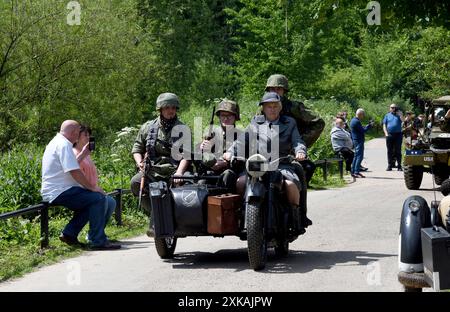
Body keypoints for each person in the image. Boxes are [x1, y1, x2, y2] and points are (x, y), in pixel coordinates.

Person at [224, 91, 312, 230]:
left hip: (282, 164)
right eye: (268, 106)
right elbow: (242, 141)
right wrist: (230, 152)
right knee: (240, 183)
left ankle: (295, 215)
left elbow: (297, 141)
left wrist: (300, 151)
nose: (272, 109)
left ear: (280, 107)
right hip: (258, 165)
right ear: (263, 108)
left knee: (290, 184)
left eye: (275, 106)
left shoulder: (289, 123)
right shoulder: (256, 122)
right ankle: (242, 213)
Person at [41, 120, 120, 250]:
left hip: (57, 190)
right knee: (98, 198)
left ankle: (69, 234)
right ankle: (97, 240)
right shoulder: (64, 144)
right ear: (73, 132)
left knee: (90, 202)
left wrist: (83, 155)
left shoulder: (56, 142)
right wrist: (92, 187)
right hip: (60, 191)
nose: (79, 136)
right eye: (78, 132)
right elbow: (74, 171)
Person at [130, 92, 190, 236]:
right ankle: (156, 214)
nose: (171, 111)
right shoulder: (148, 127)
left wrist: (180, 173)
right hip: (152, 169)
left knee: (189, 187)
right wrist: (140, 163)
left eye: (173, 108)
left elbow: (186, 155)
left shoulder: (183, 129)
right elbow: (137, 149)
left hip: (174, 169)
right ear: (160, 109)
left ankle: (178, 219)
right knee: (135, 182)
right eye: (167, 107)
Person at [265, 74, 325, 185]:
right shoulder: (263, 108)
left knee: (307, 168)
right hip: (269, 153)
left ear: (284, 90)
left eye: (278, 89)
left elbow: (318, 123)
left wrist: (300, 144)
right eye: (272, 89)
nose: (275, 91)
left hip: (290, 154)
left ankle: (297, 200)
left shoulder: (294, 107)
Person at [73, 125, 116, 233]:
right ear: (77, 137)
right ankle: (96, 235)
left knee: (111, 202)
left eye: (89, 135)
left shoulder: (86, 153)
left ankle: (97, 233)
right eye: (85, 135)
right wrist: (92, 189)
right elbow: (73, 169)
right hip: (82, 189)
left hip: (92, 188)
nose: (88, 137)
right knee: (104, 201)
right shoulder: (74, 152)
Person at [197, 99, 242, 192]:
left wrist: (226, 163)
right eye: (222, 115)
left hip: (230, 173)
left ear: (235, 117)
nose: (225, 118)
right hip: (211, 172)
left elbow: (244, 161)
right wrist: (201, 149)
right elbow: (197, 158)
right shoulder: (210, 134)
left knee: (227, 175)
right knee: (201, 182)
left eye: (229, 115)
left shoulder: (241, 136)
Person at [350, 108, 373, 178]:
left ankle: (353, 171)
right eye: (363, 114)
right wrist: (369, 125)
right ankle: (356, 172)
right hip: (358, 140)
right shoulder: (356, 121)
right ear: (360, 114)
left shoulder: (354, 120)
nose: (363, 116)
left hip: (356, 140)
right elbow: (363, 130)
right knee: (359, 156)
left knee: (356, 156)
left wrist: (367, 125)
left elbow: (361, 128)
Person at [383, 104, 404, 171]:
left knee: (398, 150)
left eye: (395, 107)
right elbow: (384, 125)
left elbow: (403, 122)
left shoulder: (399, 115)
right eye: (392, 107)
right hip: (389, 135)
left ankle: (399, 166)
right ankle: (390, 165)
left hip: (398, 134)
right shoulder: (387, 115)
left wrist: (401, 115)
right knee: (390, 151)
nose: (393, 109)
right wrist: (386, 133)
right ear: (390, 108)